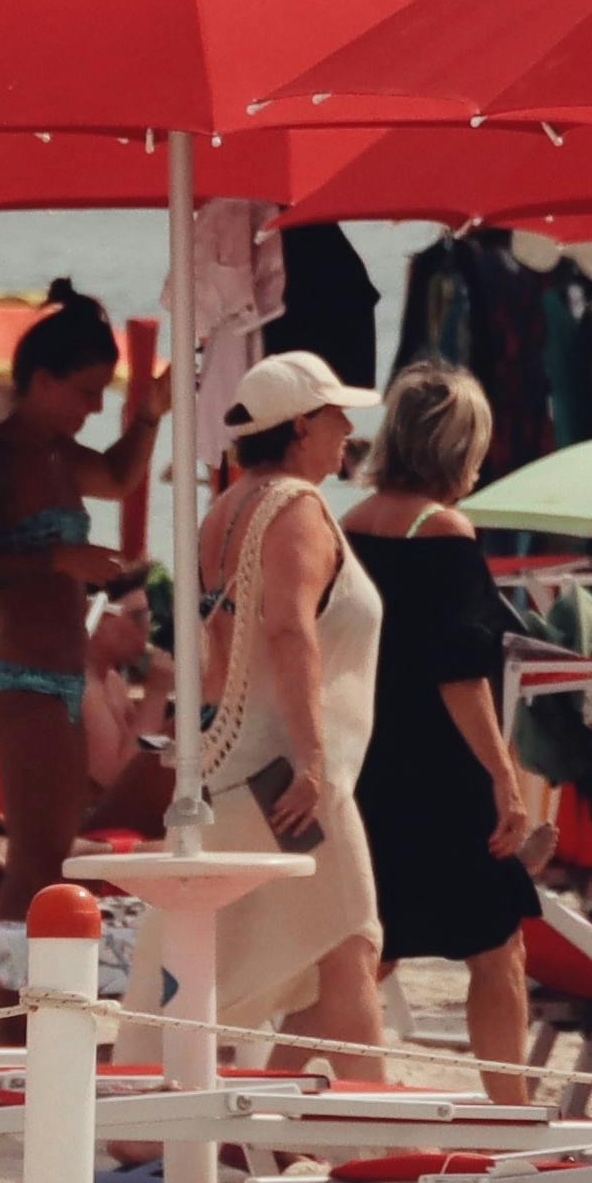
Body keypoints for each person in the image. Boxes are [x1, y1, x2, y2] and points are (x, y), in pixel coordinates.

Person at [343, 359, 550, 1087]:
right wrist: (503, 776)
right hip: (442, 769)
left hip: (371, 763)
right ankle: (512, 1109)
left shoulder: (349, 527)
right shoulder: (444, 532)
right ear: (459, 448)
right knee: (496, 949)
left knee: (368, 950)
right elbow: (459, 673)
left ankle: (291, 1088)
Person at [185, 353, 389, 1067]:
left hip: (235, 762)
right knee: (351, 940)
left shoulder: (227, 508)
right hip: (289, 776)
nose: (348, 428)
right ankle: (371, 1136)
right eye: (337, 415)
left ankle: (306, 1131)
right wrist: (311, 760)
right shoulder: (295, 507)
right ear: (302, 426)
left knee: (324, 946)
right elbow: (287, 628)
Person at [0, 283, 163, 909]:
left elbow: (118, 480)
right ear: (41, 379)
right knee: (37, 867)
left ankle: (27, 1000)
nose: (92, 408)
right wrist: (57, 559)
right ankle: (10, 1006)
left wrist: (149, 416)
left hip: (63, 684)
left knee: (55, 860)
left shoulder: (61, 455)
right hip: (23, 683)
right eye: (85, 392)